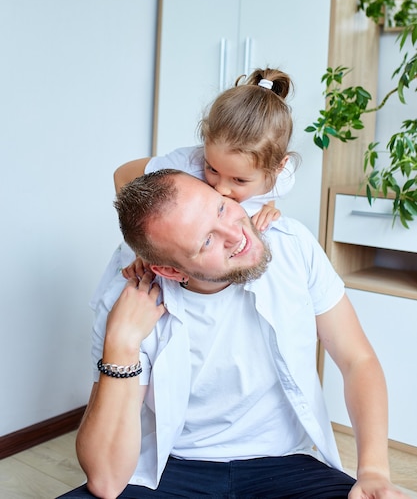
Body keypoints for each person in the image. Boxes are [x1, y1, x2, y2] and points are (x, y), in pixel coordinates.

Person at [57, 169, 409, 499]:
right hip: (175, 469)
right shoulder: (129, 298)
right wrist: (120, 344)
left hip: (286, 463)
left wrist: (374, 470)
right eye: (208, 240)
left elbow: (356, 359)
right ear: (168, 269)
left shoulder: (292, 245)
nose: (236, 235)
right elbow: (105, 480)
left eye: (221, 208)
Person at [114, 67, 298, 230]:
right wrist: (141, 248)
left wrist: (268, 206)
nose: (221, 188)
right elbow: (123, 175)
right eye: (212, 169)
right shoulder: (185, 166)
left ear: (277, 168)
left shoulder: (283, 179)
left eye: (239, 180)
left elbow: (270, 190)